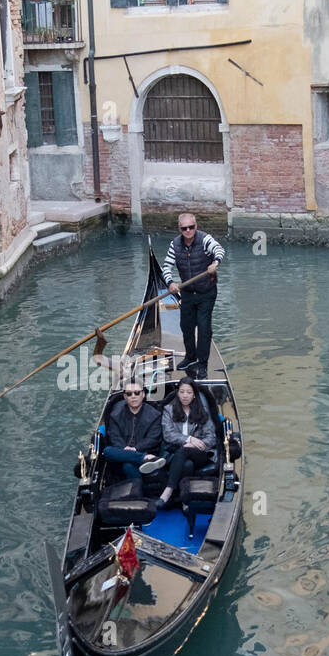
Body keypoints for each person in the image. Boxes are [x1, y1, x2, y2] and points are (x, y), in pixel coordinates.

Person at [161, 213, 225, 379]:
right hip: (187, 292)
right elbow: (166, 266)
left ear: (196, 226)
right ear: (180, 229)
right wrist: (170, 283)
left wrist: (215, 262)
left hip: (206, 292)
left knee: (204, 329)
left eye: (191, 227)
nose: (188, 230)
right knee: (186, 326)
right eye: (184, 228)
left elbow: (219, 249)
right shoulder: (175, 244)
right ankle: (190, 357)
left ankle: (202, 364)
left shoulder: (205, 239)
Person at [156, 380, 217, 510]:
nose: (185, 395)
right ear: (177, 393)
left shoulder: (203, 411)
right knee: (187, 464)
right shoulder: (169, 410)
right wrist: (189, 439)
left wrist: (195, 444)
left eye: (189, 392)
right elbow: (168, 434)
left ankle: (169, 489)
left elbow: (211, 437)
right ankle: (185, 501)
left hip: (200, 452)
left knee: (185, 452)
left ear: (194, 395)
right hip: (175, 451)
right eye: (182, 392)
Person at [103, 381, 166, 489]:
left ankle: (139, 494)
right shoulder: (115, 414)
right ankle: (145, 458)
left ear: (143, 394)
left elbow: (153, 438)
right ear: (124, 397)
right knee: (107, 451)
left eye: (137, 393)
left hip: (144, 450)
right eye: (129, 394)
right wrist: (124, 449)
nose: (133, 396)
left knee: (128, 465)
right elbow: (114, 436)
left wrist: (136, 448)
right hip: (122, 452)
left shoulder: (154, 415)